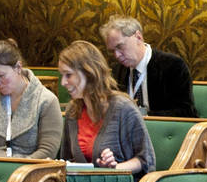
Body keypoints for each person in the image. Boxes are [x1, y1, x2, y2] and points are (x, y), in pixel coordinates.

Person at [57, 40, 156, 173]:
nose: (63, 82)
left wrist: (113, 169)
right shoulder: (73, 111)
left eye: (68, 75)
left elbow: (145, 160)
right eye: (62, 76)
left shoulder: (123, 108)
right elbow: (67, 160)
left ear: (89, 73)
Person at [0, 38, 61, 160]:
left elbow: (47, 150)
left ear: (18, 67)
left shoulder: (46, 100)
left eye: (1, 76)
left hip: (31, 172)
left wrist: (18, 171)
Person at [100, 15, 195, 118]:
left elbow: (186, 112)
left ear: (138, 37)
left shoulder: (172, 66)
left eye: (120, 47)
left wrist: (143, 115)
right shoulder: (117, 71)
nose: (117, 55)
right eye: (112, 51)